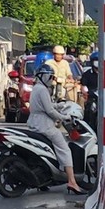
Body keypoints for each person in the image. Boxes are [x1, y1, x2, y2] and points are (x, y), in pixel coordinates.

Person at [27, 64, 85, 194]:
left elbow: (46, 106)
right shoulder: (42, 90)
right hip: (44, 125)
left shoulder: (37, 88)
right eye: (50, 76)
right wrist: (64, 117)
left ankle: (44, 180)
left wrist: (59, 105)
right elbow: (49, 111)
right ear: (44, 76)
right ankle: (72, 181)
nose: (51, 79)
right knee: (65, 149)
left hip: (35, 123)